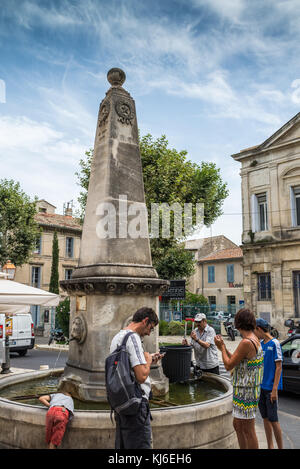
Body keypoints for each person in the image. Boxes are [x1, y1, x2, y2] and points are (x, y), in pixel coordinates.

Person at [110, 306, 163, 449]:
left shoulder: (118, 337)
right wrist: (147, 359)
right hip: (136, 405)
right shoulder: (133, 338)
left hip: (122, 403)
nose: (148, 333)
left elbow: (127, 367)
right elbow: (141, 376)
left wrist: (148, 359)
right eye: (150, 328)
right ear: (145, 321)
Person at [214, 308, 264, 449]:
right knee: (238, 425)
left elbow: (229, 365)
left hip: (246, 391)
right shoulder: (252, 339)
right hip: (246, 390)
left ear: (238, 322)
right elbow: (237, 358)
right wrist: (223, 348)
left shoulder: (247, 342)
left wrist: (222, 347)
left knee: (248, 430)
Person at [254, 318, 283, 449]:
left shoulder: (275, 343)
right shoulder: (260, 344)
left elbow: (279, 367)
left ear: (259, 329)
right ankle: (270, 446)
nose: (254, 333)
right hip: (260, 388)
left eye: (255, 330)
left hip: (270, 389)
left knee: (274, 420)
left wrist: (275, 389)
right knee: (265, 418)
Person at [39, 384, 74, 449]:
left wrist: (51, 405)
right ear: (69, 394)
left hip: (51, 411)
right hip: (62, 411)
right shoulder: (70, 398)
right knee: (56, 437)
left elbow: (41, 398)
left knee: (49, 434)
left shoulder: (55, 395)